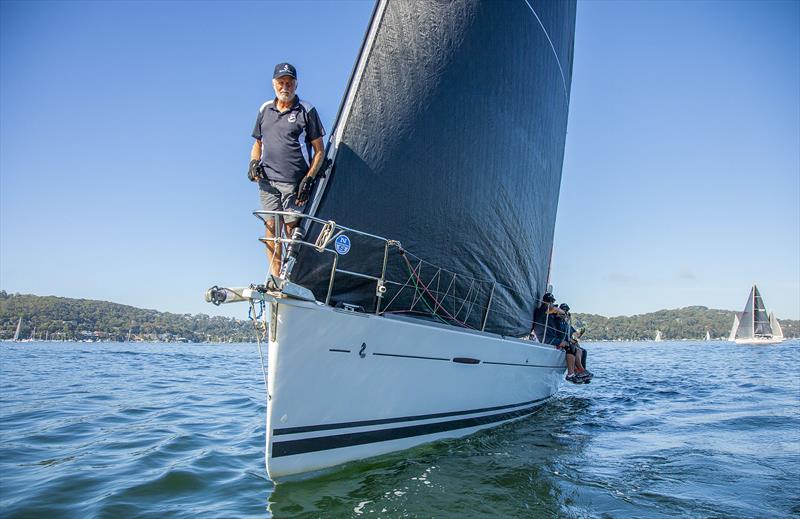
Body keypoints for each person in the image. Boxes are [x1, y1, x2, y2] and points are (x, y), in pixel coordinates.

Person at [249, 62, 326, 277]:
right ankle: (274, 276)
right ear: (274, 84)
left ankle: (289, 275)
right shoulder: (265, 109)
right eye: (281, 83)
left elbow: (319, 150)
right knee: (272, 228)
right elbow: (257, 144)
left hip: (295, 183)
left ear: (296, 84)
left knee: (292, 229)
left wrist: (308, 179)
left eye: (290, 83)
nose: (285, 87)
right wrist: (253, 163)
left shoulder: (306, 110)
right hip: (268, 181)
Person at [556, 303, 593, 383]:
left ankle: (582, 372)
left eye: (566, 311)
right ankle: (578, 371)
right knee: (574, 348)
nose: (565, 312)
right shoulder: (557, 321)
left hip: (567, 341)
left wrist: (581, 332)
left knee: (583, 351)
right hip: (562, 341)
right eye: (564, 310)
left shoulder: (566, 324)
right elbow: (561, 335)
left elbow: (575, 334)